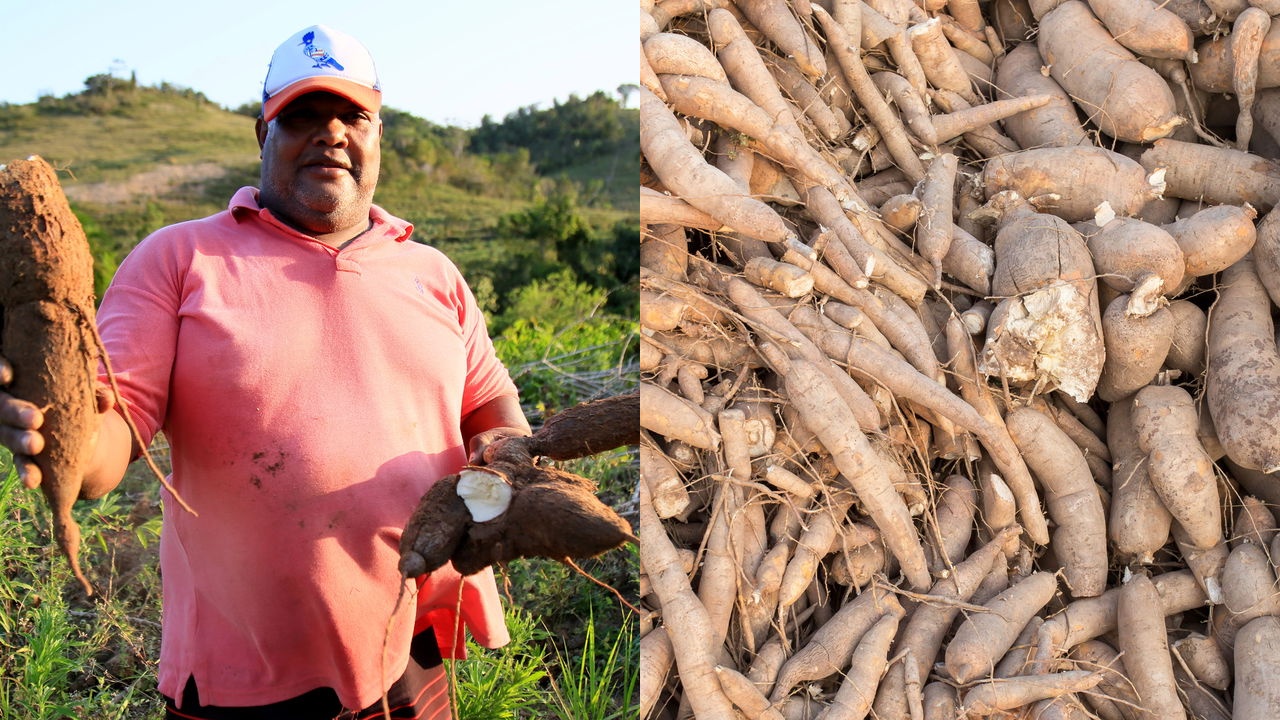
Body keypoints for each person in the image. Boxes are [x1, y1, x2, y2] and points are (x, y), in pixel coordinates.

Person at [0, 24, 531, 719]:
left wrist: (506, 463)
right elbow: (113, 436)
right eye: (303, 117)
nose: (330, 134)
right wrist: (57, 430)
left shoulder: (432, 274)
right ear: (263, 134)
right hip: (242, 671)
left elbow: (493, 408)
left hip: (412, 644)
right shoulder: (178, 260)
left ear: (377, 135)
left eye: (351, 117)